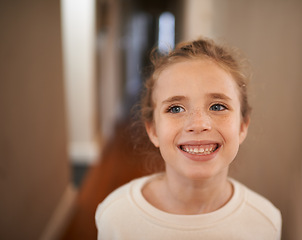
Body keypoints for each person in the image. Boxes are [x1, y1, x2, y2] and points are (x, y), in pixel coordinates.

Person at [95, 37, 282, 239]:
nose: (198, 124)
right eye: (175, 108)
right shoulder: (116, 217)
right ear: (153, 130)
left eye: (217, 106)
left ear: (242, 126)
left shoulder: (265, 222)